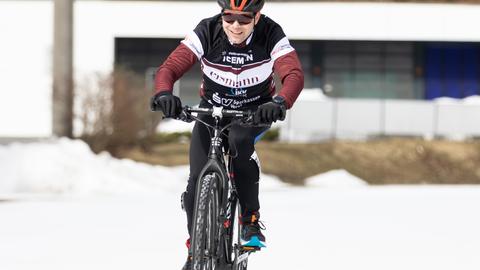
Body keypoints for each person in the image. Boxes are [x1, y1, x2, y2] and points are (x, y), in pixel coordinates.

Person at [150, 0, 304, 269]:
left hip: (255, 112)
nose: (235, 25)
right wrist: (164, 92)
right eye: (229, 18)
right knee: (194, 184)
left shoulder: (271, 33)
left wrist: (279, 102)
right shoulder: (207, 30)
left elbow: (293, 74)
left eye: (244, 19)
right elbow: (170, 67)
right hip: (212, 109)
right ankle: (194, 249)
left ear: (257, 17)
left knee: (239, 141)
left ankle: (250, 220)